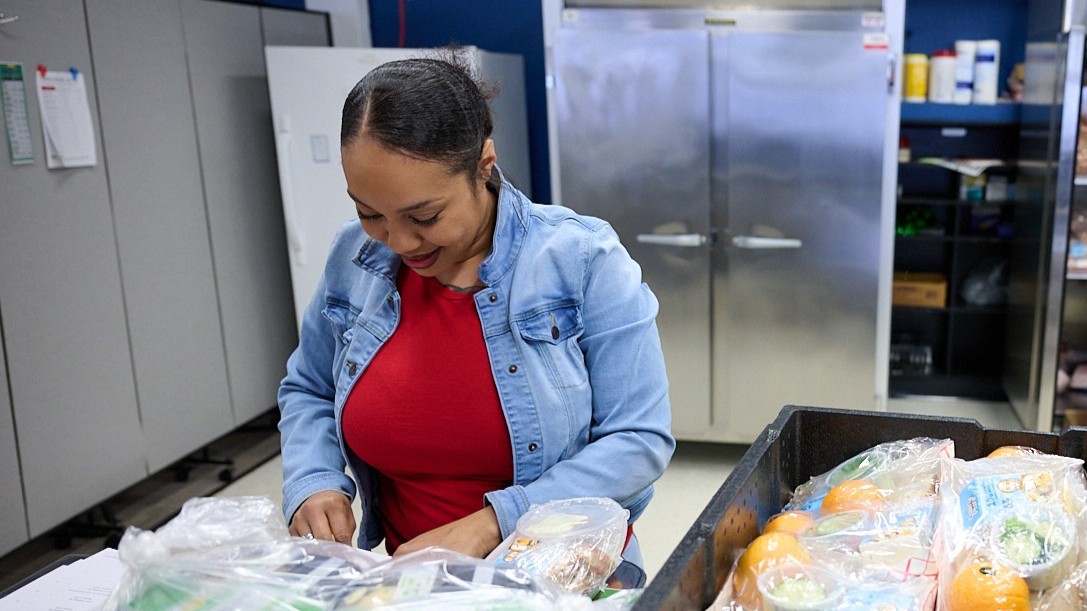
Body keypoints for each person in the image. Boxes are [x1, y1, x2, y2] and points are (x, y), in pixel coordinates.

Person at [277, 53, 674, 580]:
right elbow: (308, 387)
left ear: (483, 165)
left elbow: (638, 441)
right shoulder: (354, 260)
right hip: (415, 582)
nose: (398, 242)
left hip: (563, 574)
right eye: (369, 212)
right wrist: (313, 478)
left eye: (424, 217)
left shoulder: (583, 259)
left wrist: (494, 522)